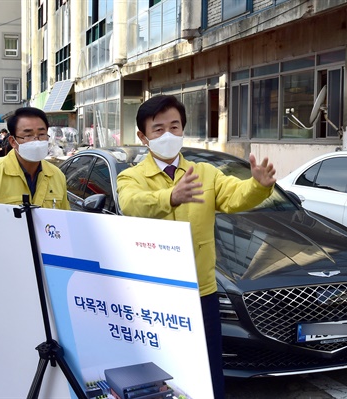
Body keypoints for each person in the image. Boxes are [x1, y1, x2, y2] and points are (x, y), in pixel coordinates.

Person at [116, 95, 276, 399]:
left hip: (200, 290)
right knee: (160, 369)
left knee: (206, 365)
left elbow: (234, 196)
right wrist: (170, 197)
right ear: (143, 136)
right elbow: (131, 204)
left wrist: (258, 185)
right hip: (153, 292)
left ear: (183, 130)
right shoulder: (132, 176)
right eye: (158, 129)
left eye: (174, 127)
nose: (167, 135)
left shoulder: (205, 173)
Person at [0, 107, 69, 210]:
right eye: (28, 135)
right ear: (13, 141)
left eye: (41, 134)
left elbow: (65, 221)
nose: (36, 141)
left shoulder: (57, 176)